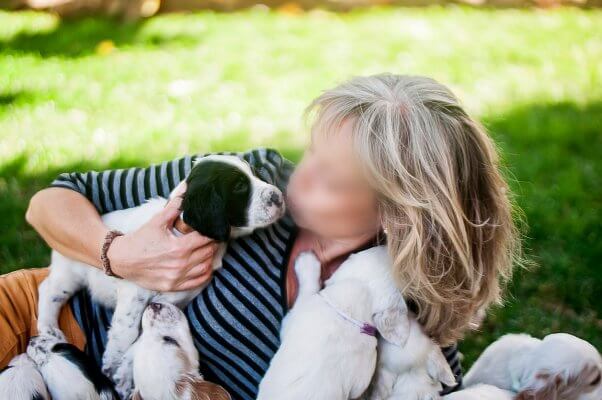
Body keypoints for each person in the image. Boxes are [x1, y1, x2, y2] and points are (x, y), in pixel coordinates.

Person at [0, 74, 519, 399]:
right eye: (313, 150)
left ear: (397, 216)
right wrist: (119, 253)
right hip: (43, 313)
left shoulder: (402, 316)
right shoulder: (246, 181)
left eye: (332, 177)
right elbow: (53, 199)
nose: (301, 175)